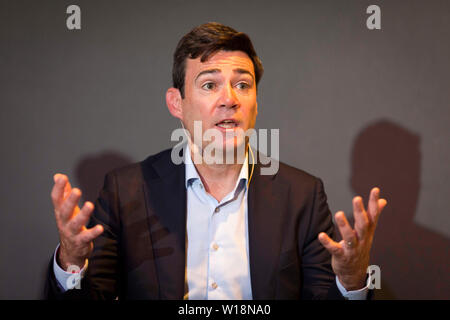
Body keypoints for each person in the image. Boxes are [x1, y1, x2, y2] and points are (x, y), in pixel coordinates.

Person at [45, 22, 387, 300]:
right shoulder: (126, 191)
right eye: (209, 85)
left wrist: (354, 282)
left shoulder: (302, 195)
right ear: (176, 103)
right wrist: (72, 263)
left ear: (256, 103)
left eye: (243, 84)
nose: (230, 99)